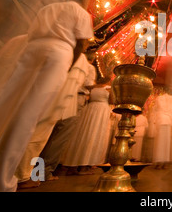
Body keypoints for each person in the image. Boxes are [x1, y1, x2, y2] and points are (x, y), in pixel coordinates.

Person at [0, 0, 93, 192]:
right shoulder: (80, 13)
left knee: (3, 105)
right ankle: (0, 180)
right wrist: (68, 65)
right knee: (28, 117)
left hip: (31, 51)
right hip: (57, 55)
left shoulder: (47, 9)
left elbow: (32, 34)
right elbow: (81, 44)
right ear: (83, 2)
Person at [15, 52, 94, 189]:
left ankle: (32, 173)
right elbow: (86, 83)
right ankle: (40, 173)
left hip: (52, 92)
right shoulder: (83, 62)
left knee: (46, 136)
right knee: (54, 137)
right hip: (71, 96)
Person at [38, 53, 96, 181]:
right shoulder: (88, 66)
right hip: (75, 98)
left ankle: (34, 171)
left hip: (57, 93)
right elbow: (88, 83)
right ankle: (45, 171)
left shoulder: (67, 57)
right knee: (61, 136)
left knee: (46, 133)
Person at [60, 76, 114, 174]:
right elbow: (112, 101)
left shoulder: (93, 87)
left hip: (90, 109)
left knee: (82, 135)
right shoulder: (109, 88)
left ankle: (72, 166)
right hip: (101, 111)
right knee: (94, 136)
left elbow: (88, 98)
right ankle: (84, 167)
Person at [152, 87, 172, 169]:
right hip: (168, 120)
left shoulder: (159, 98)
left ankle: (159, 161)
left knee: (160, 142)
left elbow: (155, 109)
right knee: (166, 142)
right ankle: (165, 162)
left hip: (161, 120)